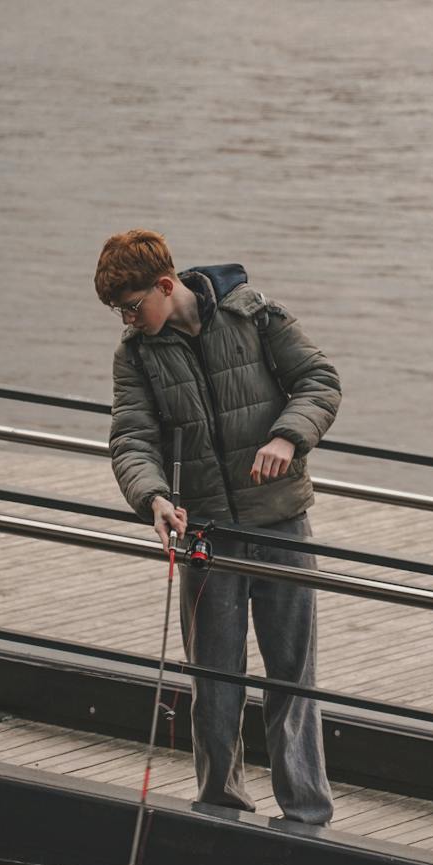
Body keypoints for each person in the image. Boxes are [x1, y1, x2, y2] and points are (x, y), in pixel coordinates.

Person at [95, 229, 340, 826]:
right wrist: (151, 497)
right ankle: (220, 805)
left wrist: (287, 435)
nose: (127, 320)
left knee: (292, 674)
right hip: (203, 530)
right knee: (213, 677)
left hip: (280, 520)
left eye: (132, 306)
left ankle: (305, 813)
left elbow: (320, 382)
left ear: (165, 284)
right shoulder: (135, 355)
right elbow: (132, 438)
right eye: (118, 312)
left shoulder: (255, 317)